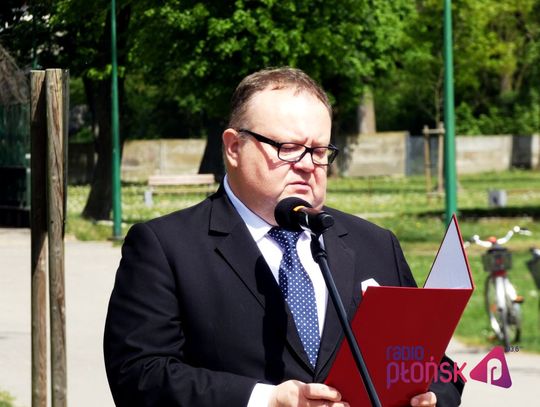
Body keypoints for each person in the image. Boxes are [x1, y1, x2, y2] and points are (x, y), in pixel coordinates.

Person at [104, 67, 464, 406]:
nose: (307, 165)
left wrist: (432, 396)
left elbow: (436, 364)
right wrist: (266, 400)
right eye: (288, 148)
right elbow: (138, 375)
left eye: (320, 151)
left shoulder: (375, 244)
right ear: (233, 147)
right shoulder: (165, 247)